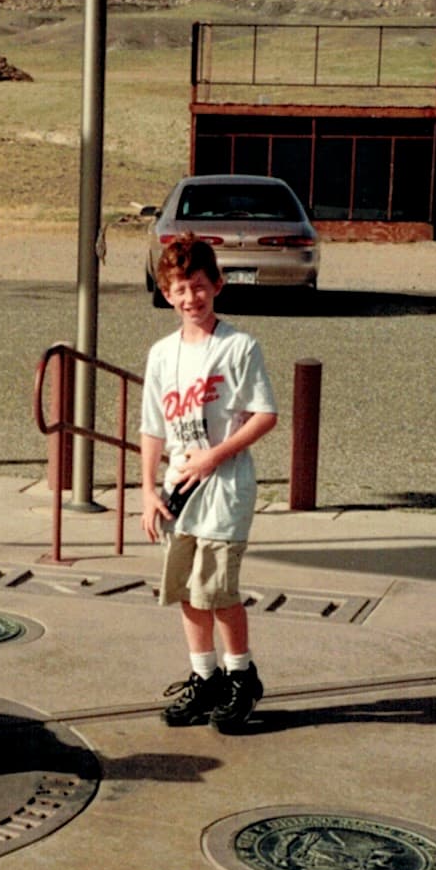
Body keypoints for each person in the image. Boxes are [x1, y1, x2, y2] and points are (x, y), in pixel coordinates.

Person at [140, 234, 278, 732]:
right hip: (179, 491)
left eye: (198, 286)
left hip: (224, 488)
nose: (190, 298)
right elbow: (153, 426)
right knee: (185, 590)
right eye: (179, 289)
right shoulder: (161, 354)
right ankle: (205, 678)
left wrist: (215, 456)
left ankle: (241, 675)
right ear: (167, 293)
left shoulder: (238, 347)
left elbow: (265, 415)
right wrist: (148, 489)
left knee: (216, 590)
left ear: (217, 284)